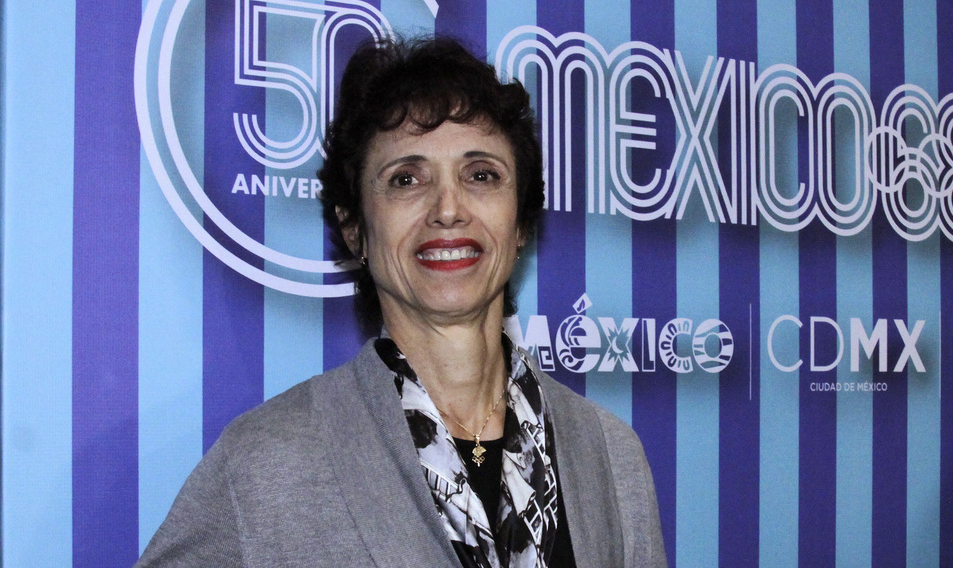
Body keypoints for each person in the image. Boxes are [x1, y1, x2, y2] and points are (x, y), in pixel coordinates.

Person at [136, 36, 666, 567]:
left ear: (521, 221)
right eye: (406, 179)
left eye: (481, 175)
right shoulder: (266, 462)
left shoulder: (611, 456)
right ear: (355, 228)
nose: (448, 209)